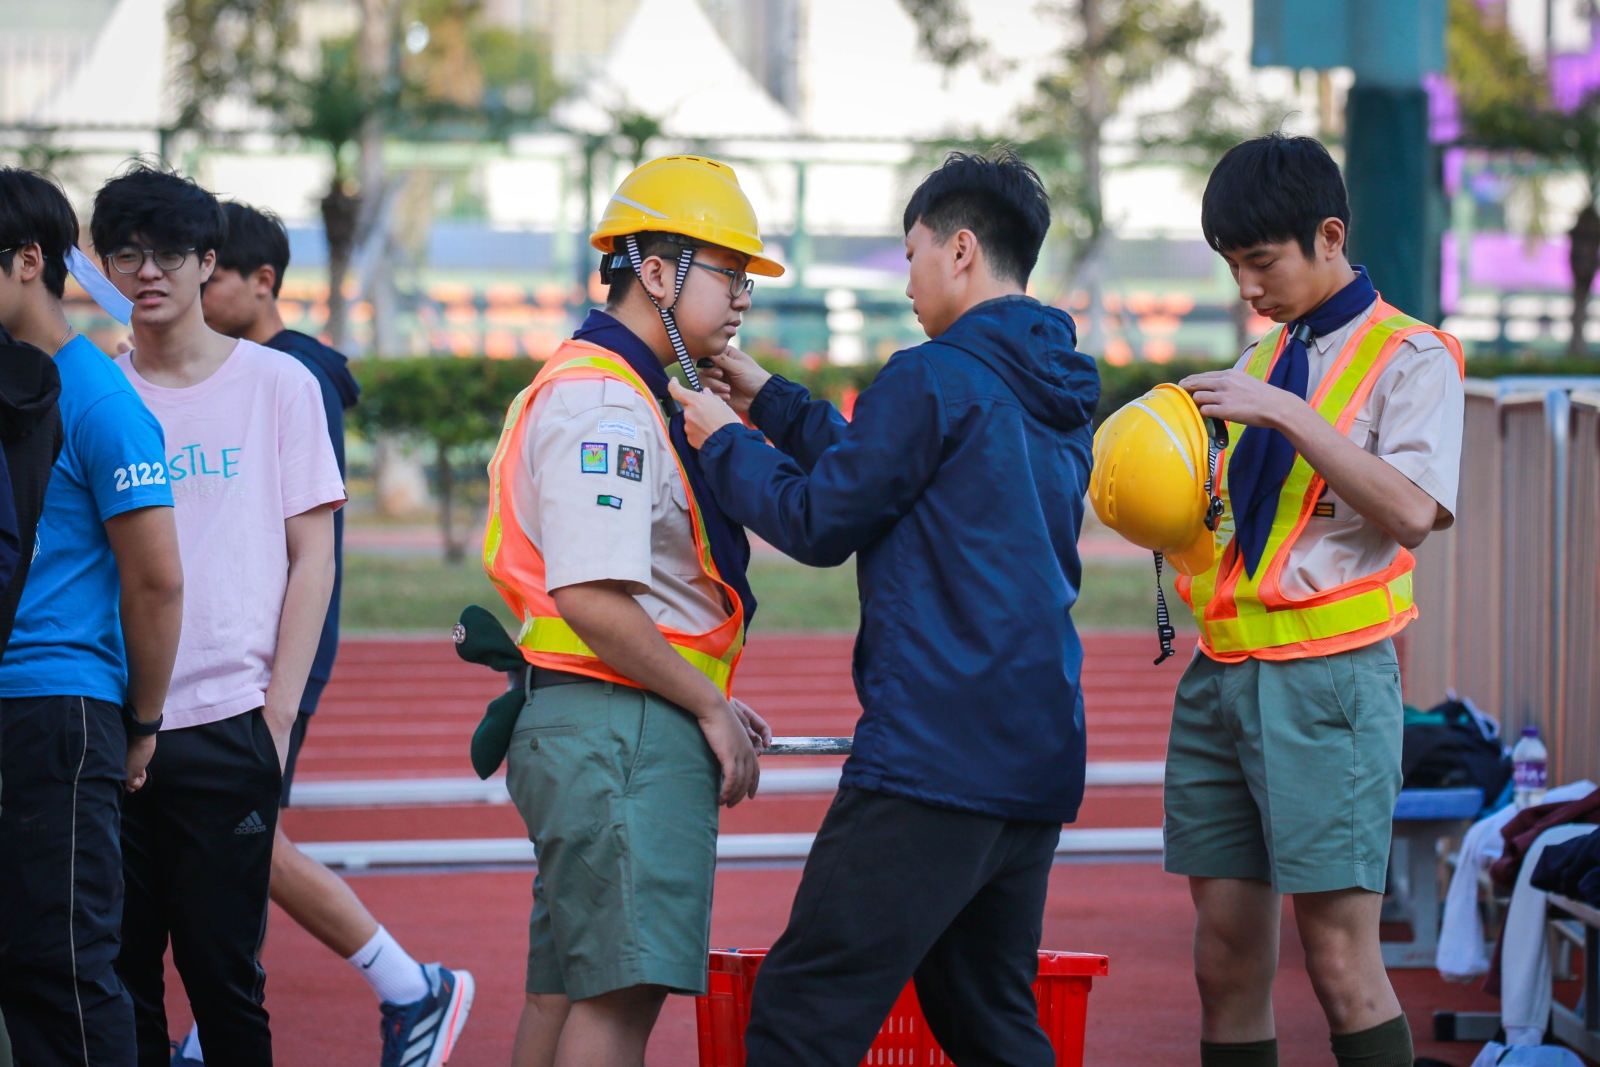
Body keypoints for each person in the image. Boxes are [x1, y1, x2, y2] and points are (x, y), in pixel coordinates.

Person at [671, 150, 1099, 1067]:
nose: (906, 282)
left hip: (934, 756)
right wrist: (772, 402)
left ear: (961, 250)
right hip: (1036, 754)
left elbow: (821, 520)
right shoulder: (1055, 387)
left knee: (801, 1013)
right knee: (986, 1019)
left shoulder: (931, 374)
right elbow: (890, 470)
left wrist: (723, 441)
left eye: (912, 255)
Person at [1165, 134, 1463, 1067]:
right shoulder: (1260, 359)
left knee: (1339, 961)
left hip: (1330, 683)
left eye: (1262, 261)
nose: (1248, 286)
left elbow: (1413, 513)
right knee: (1222, 960)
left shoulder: (1413, 355)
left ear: (1329, 236)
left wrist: (1288, 414)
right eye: (1233, 265)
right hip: (1221, 672)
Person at [482, 155, 771, 1067]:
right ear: (655, 272)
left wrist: (703, 690)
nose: (742, 298)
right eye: (729, 272)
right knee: (615, 1004)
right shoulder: (607, 398)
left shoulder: (615, 385)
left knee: (565, 991)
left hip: (610, 717)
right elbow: (592, 596)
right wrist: (704, 701)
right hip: (623, 730)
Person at [181, 198, 474, 1066]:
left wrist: (278, 673)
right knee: (233, 840)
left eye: (211, 273)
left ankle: (412, 986)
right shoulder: (253, 369)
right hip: (240, 648)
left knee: (248, 838)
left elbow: (292, 536)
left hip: (273, 650)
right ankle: (211, 1033)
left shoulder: (288, 380)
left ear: (262, 281)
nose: (193, 287)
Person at [87, 164, 346, 1067]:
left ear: (207, 261)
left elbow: (314, 556)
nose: (147, 271)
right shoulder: (97, 393)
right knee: (120, 978)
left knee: (225, 980)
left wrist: (276, 716)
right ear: (105, 266)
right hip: (114, 722)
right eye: (127, 254)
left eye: (168, 252)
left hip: (230, 722)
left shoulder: (279, 384)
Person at [0, 167, 184, 1065]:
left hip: (58, 712)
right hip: (30, 709)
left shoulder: (102, 402)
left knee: (62, 969)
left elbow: (157, 582)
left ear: (29, 262)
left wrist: (140, 723)